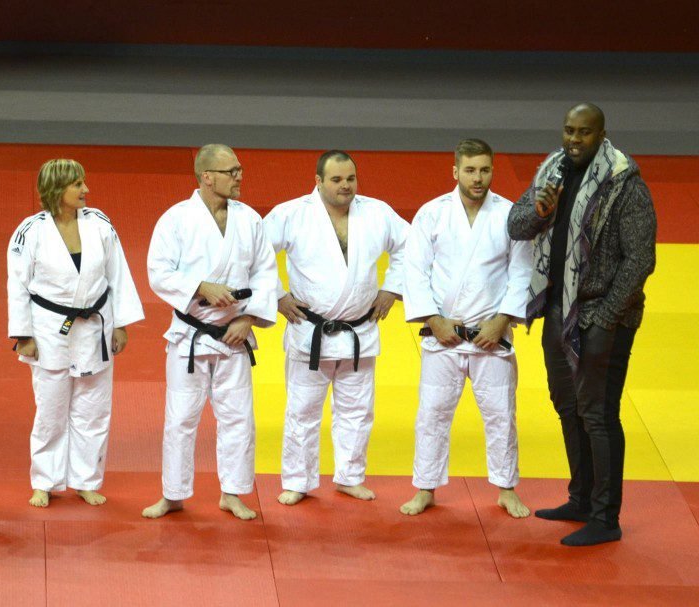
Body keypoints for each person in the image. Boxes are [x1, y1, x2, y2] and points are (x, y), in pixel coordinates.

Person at [508, 103, 656, 546]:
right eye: (569, 130)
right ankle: (582, 499)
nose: (574, 139)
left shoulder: (624, 183)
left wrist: (606, 318)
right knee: (568, 406)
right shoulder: (551, 172)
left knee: (598, 412)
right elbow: (516, 226)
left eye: (584, 132)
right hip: (558, 307)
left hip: (602, 314)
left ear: (601, 134)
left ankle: (606, 518)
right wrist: (540, 209)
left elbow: (640, 259)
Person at [263, 150, 407, 506]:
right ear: (318, 181)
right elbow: (255, 253)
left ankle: (350, 476)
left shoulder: (377, 212)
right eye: (337, 180)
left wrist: (392, 288)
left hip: (360, 331)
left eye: (351, 179)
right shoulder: (291, 214)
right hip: (309, 331)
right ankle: (298, 480)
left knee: (357, 411)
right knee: (302, 412)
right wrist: (278, 296)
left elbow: (411, 247)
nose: (346, 186)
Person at [142, 144, 277, 520]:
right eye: (231, 171)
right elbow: (158, 272)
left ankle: (232, 493)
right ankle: (173, 494)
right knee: (181, 419)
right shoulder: (176, 219)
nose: (239, 176)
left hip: (234, 336)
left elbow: (266, 273)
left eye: (239, 169)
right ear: (207, 176)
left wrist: (249, 319)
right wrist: (201, 287)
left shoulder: (250, 220)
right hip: (190, 336)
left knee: (239, 419)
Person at [399, 139, 532, 518]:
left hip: (492, 335)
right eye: (470, 170)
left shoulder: (510, 215)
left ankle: (506, 489)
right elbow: (414, 271)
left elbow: (522, 271)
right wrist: (434, 320)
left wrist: (502, 321)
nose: (478, 178)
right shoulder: (432, 214)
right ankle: (425, 488)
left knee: (501, 416)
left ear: (493, 171)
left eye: (485, 170)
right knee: (432, 415)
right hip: (444, 336)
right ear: (455, 171)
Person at [8, 159, 144, 508]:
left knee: (93, 409)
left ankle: (86, 480)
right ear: (57, 189)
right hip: (49, 329)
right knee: (50, 410)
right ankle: (44, 481)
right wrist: (23, 334)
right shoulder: (30, 231)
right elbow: (18, 286)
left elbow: (118, 275)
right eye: (78, 184)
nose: (86, 190)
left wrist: (121, 324)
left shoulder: (99, 223)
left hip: (95, 326)